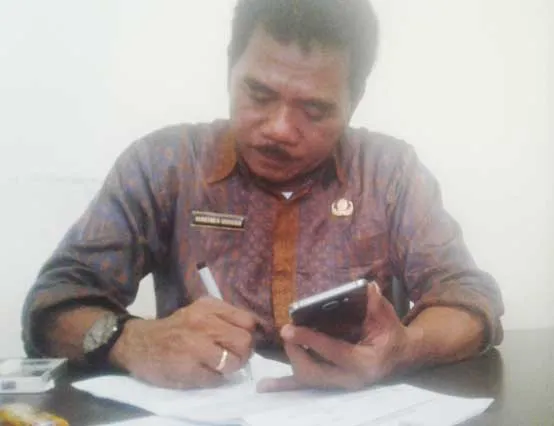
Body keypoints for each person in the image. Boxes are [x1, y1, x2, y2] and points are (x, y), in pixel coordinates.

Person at [21, 0, 504, 391]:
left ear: (353, 103)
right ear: (229, 70)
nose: (279, 129)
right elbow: (54, 302)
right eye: (258, 94)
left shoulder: (389, 172)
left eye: (314, 109)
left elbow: (468, 298)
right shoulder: (164, 163)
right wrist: (131, 341)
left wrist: (404, 350)